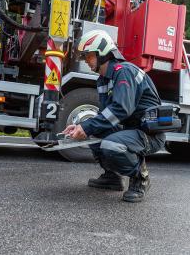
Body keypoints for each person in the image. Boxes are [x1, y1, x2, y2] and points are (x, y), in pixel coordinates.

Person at [63, 30, 165, 202]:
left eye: (88, 55)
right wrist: (83, 126)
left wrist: (86, 127)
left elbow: (121, 109)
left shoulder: (123, 71)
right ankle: (112, 177)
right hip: (130, 131)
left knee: (111, 144)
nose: (85, 60)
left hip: (148, 134)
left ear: (102, 53)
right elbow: (105, 115)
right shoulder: (104, 79)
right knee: (93, 130)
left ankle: (141, 178)